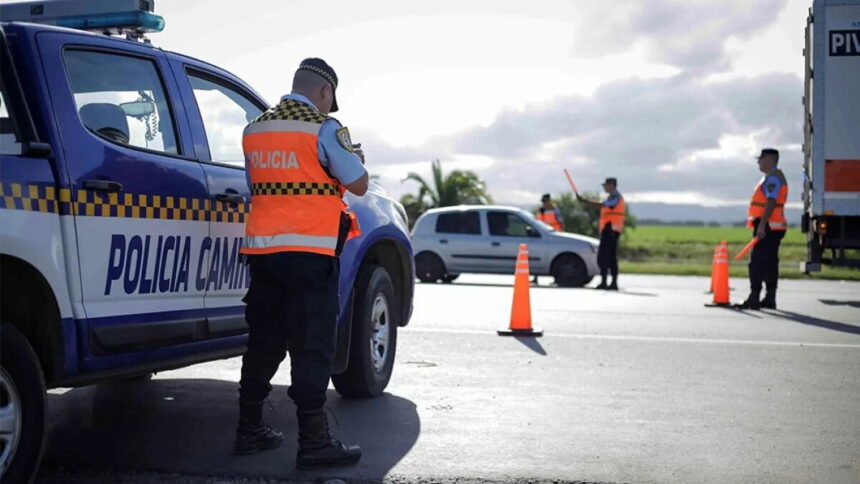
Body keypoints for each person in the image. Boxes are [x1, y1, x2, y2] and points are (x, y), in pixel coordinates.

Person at [235, 58, 368, 469]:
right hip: (310, 255)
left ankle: (249, 430)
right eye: (330, 101)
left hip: (264, 254)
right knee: (312, 345)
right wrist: (354, 155)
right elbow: (359, 184)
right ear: (325, 92)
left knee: (264, 341)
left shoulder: (253, 129)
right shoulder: (324, 128)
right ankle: (314, 441)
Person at [736, 148, 788, 310]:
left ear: (770, 160)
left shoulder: (772, 179)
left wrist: (762, 225)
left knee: (757, 263)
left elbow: (771, 202)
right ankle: (770, 299)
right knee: (770, 263)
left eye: (761, 159)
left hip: (767, 227)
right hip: (773, 226)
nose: (758, 162)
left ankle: (754, 298)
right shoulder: (774, 177)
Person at [577, 178, 625, 290]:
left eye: (606, 185)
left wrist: (585, 201)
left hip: (610, 230)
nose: (604, 187)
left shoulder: (615, 197)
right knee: (610, 258)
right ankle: (611, 282)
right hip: (611, 230)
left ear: (612, 185)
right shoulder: (613, 197)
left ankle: (607, 282)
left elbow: (603, 205)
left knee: (604, 257)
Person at [533, 194, 564, 284]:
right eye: (543, 201)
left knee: (555, 258)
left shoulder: (555, 210)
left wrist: (561, 234)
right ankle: (535, 277)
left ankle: (556, 278)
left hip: (554, 236)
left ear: (549, 201)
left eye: (545, 201)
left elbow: (561, 222)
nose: (544, 203)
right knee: (538, 256)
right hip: (542, 236)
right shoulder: (540, 211)